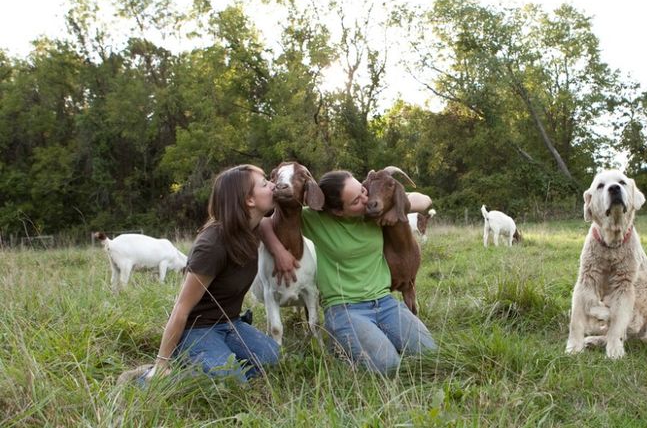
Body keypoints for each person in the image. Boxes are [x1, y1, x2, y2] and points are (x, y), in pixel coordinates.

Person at [260, 169, 437, 374]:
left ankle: (364, 340)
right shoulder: (314, 219)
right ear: (338, 211)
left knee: (429, 354)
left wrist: (396, 210)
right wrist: (279, 251)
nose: (365, 200)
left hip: (385, 303)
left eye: (362, 191)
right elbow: (264, 222)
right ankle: (340, 344)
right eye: (355, 201)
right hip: (345, 308)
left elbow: (424, 200)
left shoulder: (374, 210)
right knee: (388, 366)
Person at [145, 164, 281, 383]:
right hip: (197, 329)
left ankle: (211, 365)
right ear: (249, 200)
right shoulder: (212, 245)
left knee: (272, 358)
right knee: (231, 380)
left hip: (231, 323)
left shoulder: (253, 229)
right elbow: (181, 308)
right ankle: (148, 377)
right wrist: (161, 362)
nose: (273, 186)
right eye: (265, 183)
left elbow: (285, 217)